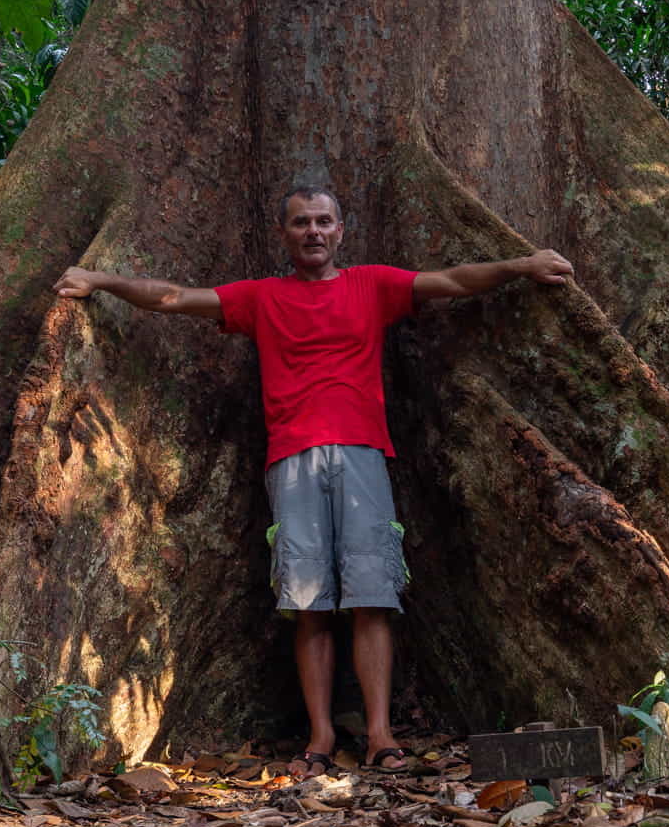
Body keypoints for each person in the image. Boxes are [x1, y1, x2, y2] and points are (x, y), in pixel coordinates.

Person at [53, 187, 573, 777]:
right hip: (292, 461)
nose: (313, 232)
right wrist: (99, 279)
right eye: (301, 223)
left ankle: (380, 735)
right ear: (284, 234)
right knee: (308, 605)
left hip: (362, 457)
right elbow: (173, 298)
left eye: (324, 222)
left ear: (341, 230)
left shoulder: (371, 286)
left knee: (373, 596)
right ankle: (321, 736)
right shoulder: (261, 298)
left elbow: (452, 281)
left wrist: (523, 266)